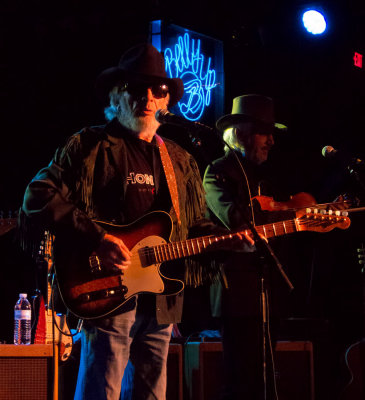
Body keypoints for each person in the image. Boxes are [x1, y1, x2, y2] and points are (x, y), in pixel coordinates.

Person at [20, 43, 253, 400]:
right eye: (135, 87)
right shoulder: (90, 146)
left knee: (151, 395)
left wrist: (228, 239)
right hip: (106, 290)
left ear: (166, 101)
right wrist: (96, 237)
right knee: (103, 391)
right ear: (117, 95)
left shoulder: (178, 160)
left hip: (161, 299)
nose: (147, 96)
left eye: (157, 90)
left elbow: (191, 227)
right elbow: (37, 195)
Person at [202, 94, 295, 400]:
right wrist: (280, 211)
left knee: (266, 376)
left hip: (267, 287)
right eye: (263, 133)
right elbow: (235, 218)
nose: (271, 141)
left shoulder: (264, 176)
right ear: (241, 134)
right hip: (235, 291)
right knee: (241, 378)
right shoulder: (216, 172)